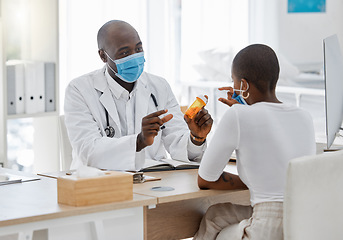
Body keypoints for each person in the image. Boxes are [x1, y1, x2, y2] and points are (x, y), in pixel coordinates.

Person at [193, 44, 316, 240]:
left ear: (243, 85)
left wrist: (241, 112)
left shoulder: (238, 116)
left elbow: (205, 179)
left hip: (266, 229)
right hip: (302, 223)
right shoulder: (305, 117)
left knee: (212, 217)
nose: (233, 87)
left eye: (233, 82)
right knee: (216, 214)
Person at [64, 20, 213, 171]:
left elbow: (178, 143)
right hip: (98, 183)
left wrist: (196, 138)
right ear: (103, 56)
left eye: (138, 48)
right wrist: (139, 141)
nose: (134, 57)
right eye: (124, 52)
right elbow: (88, 152)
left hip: (154, 179)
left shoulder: (159, 86)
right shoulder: (79, 89)